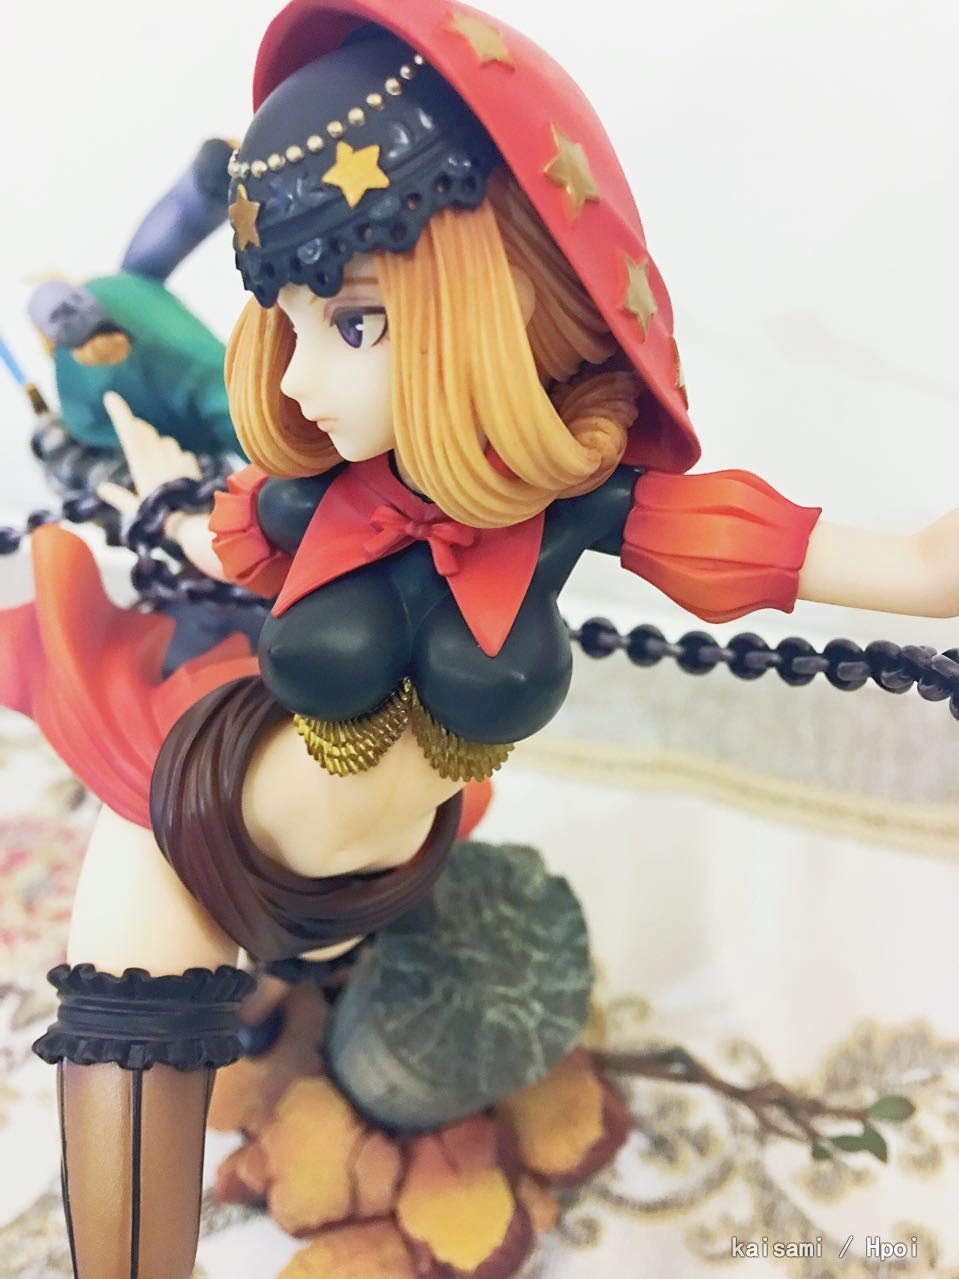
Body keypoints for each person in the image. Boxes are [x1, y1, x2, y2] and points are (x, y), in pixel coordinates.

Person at [3, 1, 959, 1275]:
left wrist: (927, 570)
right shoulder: (309, 498)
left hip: (367, 879)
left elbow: (846, 558)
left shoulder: (573, 508)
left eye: (354, 321)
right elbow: (209, 529)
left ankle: (309, 1019)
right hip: (201, 808)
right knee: (129, 1101)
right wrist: (156, 489)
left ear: (496, 304)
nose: (296, 380)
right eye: (290, 321)